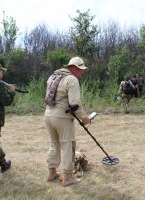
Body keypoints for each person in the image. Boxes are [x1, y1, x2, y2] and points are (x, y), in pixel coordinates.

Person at [44, 56, 91, 187]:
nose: (82, 73)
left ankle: (52, 172)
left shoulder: (53, 76)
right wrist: (85, 118)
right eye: (81, 70)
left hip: (48, 116)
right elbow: (75, 104)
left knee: (54, 144)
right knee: (68, 146)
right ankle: (68, 178)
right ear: (74, 68)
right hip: (62, 118)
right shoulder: (72, 79)